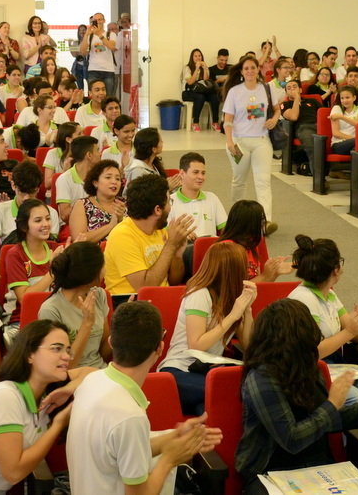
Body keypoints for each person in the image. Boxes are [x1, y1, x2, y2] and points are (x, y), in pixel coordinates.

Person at [287, 235, 358, 495]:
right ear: (335, 269)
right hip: (315, 369)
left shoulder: (330, 295)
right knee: (356, 398)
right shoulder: (302, 299)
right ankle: (351, 468)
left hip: (338, 364)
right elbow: (313, 351)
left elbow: (353, 332)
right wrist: (349, 332)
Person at [68, 300, 221, 494]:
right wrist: (169, 460)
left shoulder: (91, 381)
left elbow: (118, 451)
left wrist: (174, 437)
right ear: (160, 348)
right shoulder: (129, 417)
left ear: (111, 342)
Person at [0, 319, 94, 492]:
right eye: (56, 348)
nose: (67, 356)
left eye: (68, 350)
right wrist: (58, 424)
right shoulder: (5, 396)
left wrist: (68, 389)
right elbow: (13, 473)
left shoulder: (47, 391)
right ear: (30, 355)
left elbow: (93, 372)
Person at [158, 241, 256, 415]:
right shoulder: (199, 293)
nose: (248, 271)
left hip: (205, 372)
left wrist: (247, 310)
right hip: (179, 370)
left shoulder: (231, 295)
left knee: (210, 410)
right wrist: (233, 315)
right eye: (244, 266)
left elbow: (249, 346)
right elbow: (196, 345)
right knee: (237, 391)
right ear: (232, 271)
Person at [104, 174, 194, 303]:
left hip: (161, 300)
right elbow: (144, 289)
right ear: (157, 209)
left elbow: (174, 281)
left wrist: (177, 256)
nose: (170, 207)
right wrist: (170, 246)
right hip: (131, 305)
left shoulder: (159, 230)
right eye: (169, 202)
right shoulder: (122, 235)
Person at [223, 56, 280, 234]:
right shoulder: (234, 92)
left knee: (263, 181)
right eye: (246, 68)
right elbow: (227, 120)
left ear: (258, 70)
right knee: (239, 181)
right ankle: (236, 219)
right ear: (241, 71)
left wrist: (274, 119)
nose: (250, 71)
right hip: (239, 142)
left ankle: (266, 221)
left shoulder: (267, 89)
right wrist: (230, 142)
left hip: (261, 141)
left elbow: (277, 109)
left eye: (253, 68)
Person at [38, 241, 111, 369]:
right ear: (89, 275)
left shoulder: (98, 294)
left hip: (100, 373)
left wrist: (121, 331)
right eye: (103, 266)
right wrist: (87, 323)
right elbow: (63, 367)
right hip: (71, 378)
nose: (105, 270)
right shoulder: (51, 310)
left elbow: (103, 353)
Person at [2, 199, 65, 339]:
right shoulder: (15, 255)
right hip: (24, 318)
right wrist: (53, 271)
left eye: (48, 219)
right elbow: (25, 299)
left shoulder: (57, 248)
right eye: (38, 220)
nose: (46, 224)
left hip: (57, 315)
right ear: (24, 226)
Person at [0, 161, 61, 269]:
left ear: (38, 188)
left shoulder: (50, 213)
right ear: (13, 185)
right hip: (10, 264)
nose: (26, 198)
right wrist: (3, 270)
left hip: (40, 266)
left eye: (32, 192)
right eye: (22, 192)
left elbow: (51, 246)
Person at [69, 159, 126, 243]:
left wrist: (121, 220)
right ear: (95, 183)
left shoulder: (124, 203)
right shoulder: (83, 205)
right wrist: (110, 226)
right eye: (108, 177)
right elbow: (79, 239)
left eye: (117, 179)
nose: (114, 182)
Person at [55, 136, 100, 223]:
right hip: (71, 224)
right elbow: (64, 215)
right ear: (89, 155)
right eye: (98, 150)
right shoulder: (64, 179)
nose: (100, 153)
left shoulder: (100, 176)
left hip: (96, 222)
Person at [280, 79, 321, 174]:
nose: (292, 89)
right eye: (289, 88)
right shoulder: (285, 104)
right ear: (286, 92)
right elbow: (293, 117)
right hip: (304, 128)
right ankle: (319, 179)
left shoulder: (312, 101)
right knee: (313, 149)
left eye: (295, 87)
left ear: (300, 90)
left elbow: (324, 115)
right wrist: (296, 99)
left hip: (318, 126)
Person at [125, 128, 181, 193]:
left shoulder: (153, 164)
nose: (163, 142)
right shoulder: (138, 171)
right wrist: (166, 188)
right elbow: (143, 198)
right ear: (154, 149)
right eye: (160, 141)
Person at [182, 49, 220, 132]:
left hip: (201, 91)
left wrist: (205, 69)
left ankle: (215, 122)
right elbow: (191, 82)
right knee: (200, 97)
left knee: (215, 97)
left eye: (199, 56)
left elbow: (206, 81)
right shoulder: (187, 68)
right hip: (188, 92)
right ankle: (195, 123)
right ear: (192, 57)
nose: (198, 58)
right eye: (195, 56)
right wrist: (196, 69)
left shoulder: (204, 67)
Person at [79, 13, 117, 97]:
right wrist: (86, 35)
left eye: (100, 19)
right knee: (94, 97)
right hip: (93, 70)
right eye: (95, 20)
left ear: (104, 21)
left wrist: (99, 34)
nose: (98, 22)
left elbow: (112, 46)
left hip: (108, 70)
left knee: (108, 97)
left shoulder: (111, 34)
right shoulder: (90, 36)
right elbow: (82, 51)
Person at [44, 122, 81, 195]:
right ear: (69, 139)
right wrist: (64, 172)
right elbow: (47, 184)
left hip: (77, 195)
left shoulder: (84, 153)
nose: (84, 136)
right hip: (55, 195)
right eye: (79, 134)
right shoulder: (52, 153)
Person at [70, 24, 88, 90]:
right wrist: (70, 44)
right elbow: (74, 54)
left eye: (84, 30)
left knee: (89, 86)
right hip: (77, 66)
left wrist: (80, 52)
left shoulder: (89, 41)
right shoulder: (76, 42)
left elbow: (84, 53)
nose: (82, 32)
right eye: (80, 30)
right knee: (80, 87)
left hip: (87, 66)